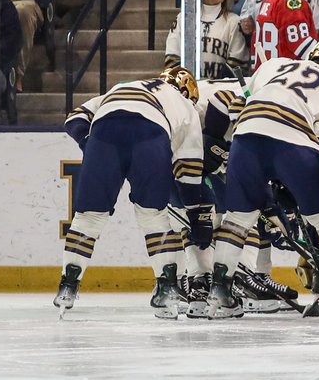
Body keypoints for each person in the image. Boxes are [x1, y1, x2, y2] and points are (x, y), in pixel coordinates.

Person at [206, 47, 319, 319]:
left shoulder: (276, 64)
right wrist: (295, 183)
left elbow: (238, 103)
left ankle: (220, 293)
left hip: (246, 135)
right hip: (294, 140)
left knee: (237, 219)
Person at [53, 67, 209, 318]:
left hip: (104, 131)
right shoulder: (186, 106)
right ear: (186, 92)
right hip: (151, 133)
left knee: (89, 217)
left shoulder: (124, 86)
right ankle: (167, 289)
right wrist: (196, 216)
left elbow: (74, 118)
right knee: (153, 216)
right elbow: (189, 173)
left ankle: (68, 286)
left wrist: (89, 143)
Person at [164, 0, 249, 78]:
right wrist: (187, 84)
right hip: (187, 90)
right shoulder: (184, 18)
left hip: (220, 90)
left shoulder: (234, 21)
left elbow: (238, 63)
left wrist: (213, 85)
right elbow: (172, 57)